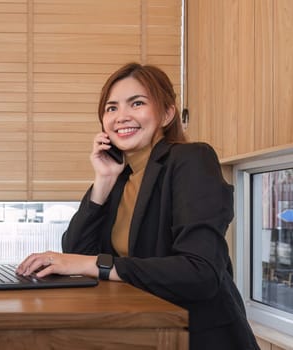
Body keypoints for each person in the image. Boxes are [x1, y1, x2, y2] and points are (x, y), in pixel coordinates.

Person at [16, 62, 260, 350]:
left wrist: (90, 263)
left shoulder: (191, 160)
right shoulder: (120, 175)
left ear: (167, 113)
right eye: (111, 108)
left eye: (137, 103)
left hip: (198, 337)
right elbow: (77, 252)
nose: (122, 116)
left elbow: (200, 273)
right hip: (143, 333)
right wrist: (103, 180)